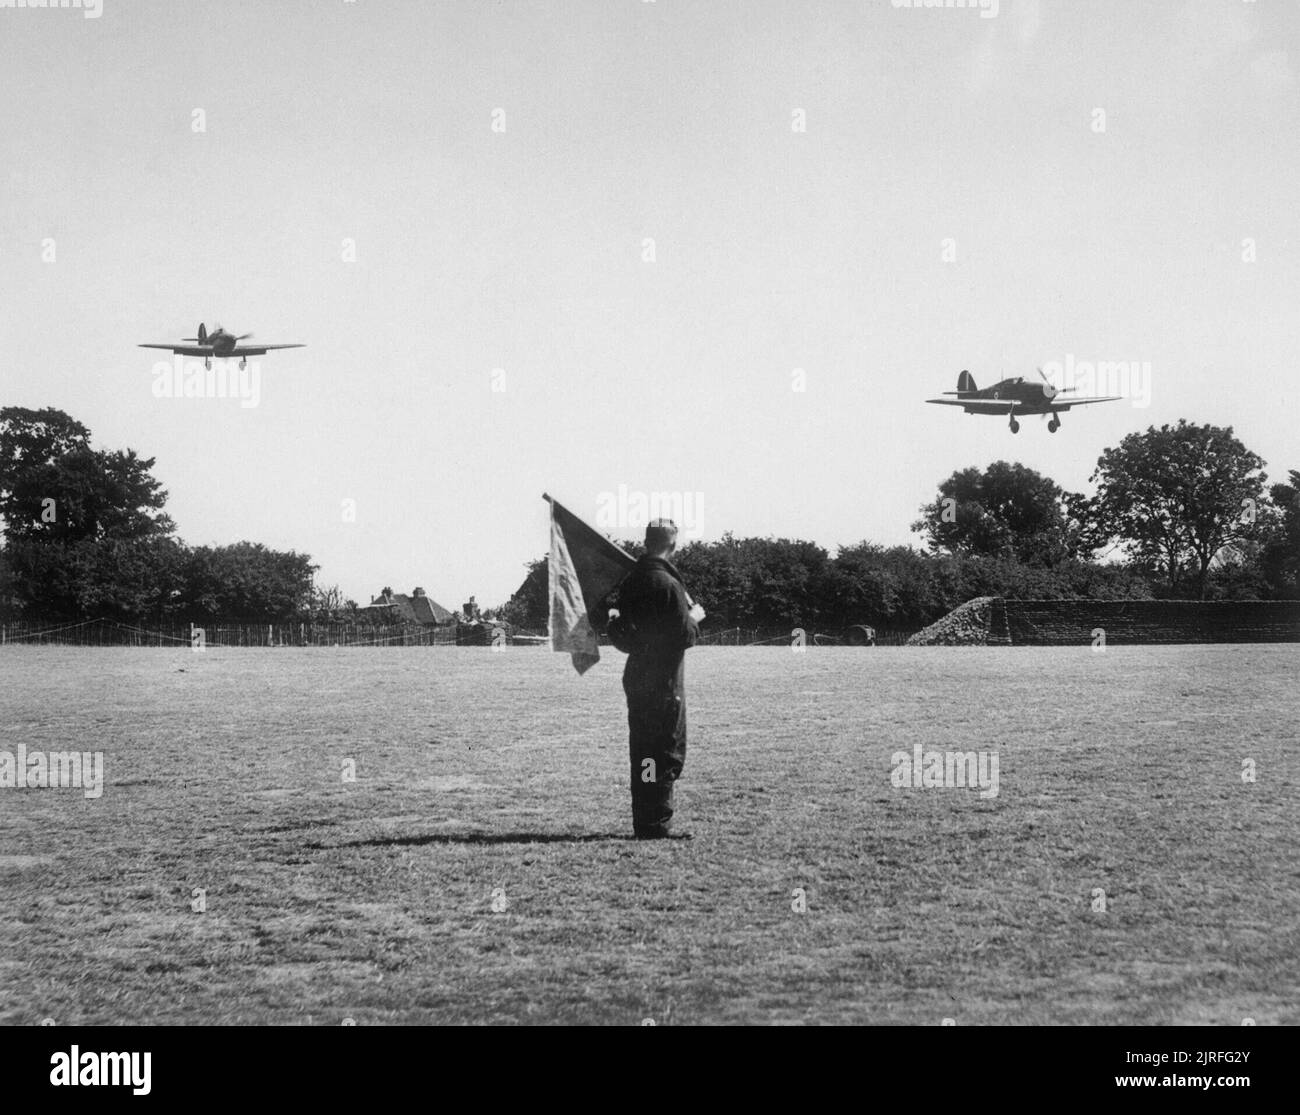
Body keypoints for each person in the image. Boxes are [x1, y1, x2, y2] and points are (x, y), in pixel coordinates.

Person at [610, 519, 703, 839]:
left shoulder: (632, 582)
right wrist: (694, 617)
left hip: (638, 677)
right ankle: (656, 825)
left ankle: (645, 822)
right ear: (673, 546)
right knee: (665, 749)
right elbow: (683, 636)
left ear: (647, 541)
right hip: (664, 680)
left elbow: (624, 636)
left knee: (645, 750)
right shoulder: (668, 585)